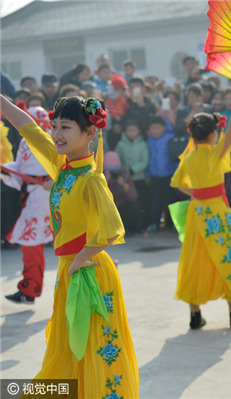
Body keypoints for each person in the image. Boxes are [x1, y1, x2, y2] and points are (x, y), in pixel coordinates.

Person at [0, 94, 138, 397]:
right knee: (69, 347)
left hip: (88, 271)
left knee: (96, 348)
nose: (57, 134)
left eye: (66, 128)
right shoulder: (61, 165)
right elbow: (27, 127)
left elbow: (111, 231)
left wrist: (77, 262)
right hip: (70, 269)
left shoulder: (91, 179)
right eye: (55, 126)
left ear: (90, 133)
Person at [170, 75, 231, 330]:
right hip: (217, 209)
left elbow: (177, 183)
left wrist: (195, 193)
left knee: (195, 259)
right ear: (214, 133)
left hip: (197, 212)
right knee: (227, 255)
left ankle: (195, 316)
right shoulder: (217, 153)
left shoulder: (189, 158)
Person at [3, 106, 54, 304]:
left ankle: (30, 289)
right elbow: (21, 171)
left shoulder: (50, 139)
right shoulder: (26, 142)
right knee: (31, 245)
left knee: (33, 244)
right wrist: (6, 170)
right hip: (33, 195)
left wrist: (55, 180)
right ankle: (29, 289)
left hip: (45, 198)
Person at [115, 119, 149, 232]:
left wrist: (132, 170)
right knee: (128, 202)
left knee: (140, 202)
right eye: (129, 131)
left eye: (134, 130)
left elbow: (145, 161)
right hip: (124, 179)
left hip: (138, 178)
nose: (131, 133)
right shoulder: (120, 144)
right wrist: (123, 171)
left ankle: (139, 226)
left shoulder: (143, 144)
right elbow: (117, 160)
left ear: (139, 131)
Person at [145, 116, 177, 232]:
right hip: (154, 176)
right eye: (152, 128)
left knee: (172, 200)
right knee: (156, 201)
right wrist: (147, 174)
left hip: (169, 175)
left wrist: (176, 175)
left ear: (164, 127)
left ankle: (175, 224)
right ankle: (155, 223)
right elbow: (148, 158)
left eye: (157, 128)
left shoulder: (170, 139)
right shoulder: (150, 141)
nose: (155, 131)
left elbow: (174, 159)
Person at [104, 151, 140, 235]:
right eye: (110, 171)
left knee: (135, 206)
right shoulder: (100, 177)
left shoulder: (124, 175)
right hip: (108, 208)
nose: (113, 174)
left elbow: (134, 197)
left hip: (121, 207)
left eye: (115, 171)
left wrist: (124, 185)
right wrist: (105, 182)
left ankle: (124, 229)